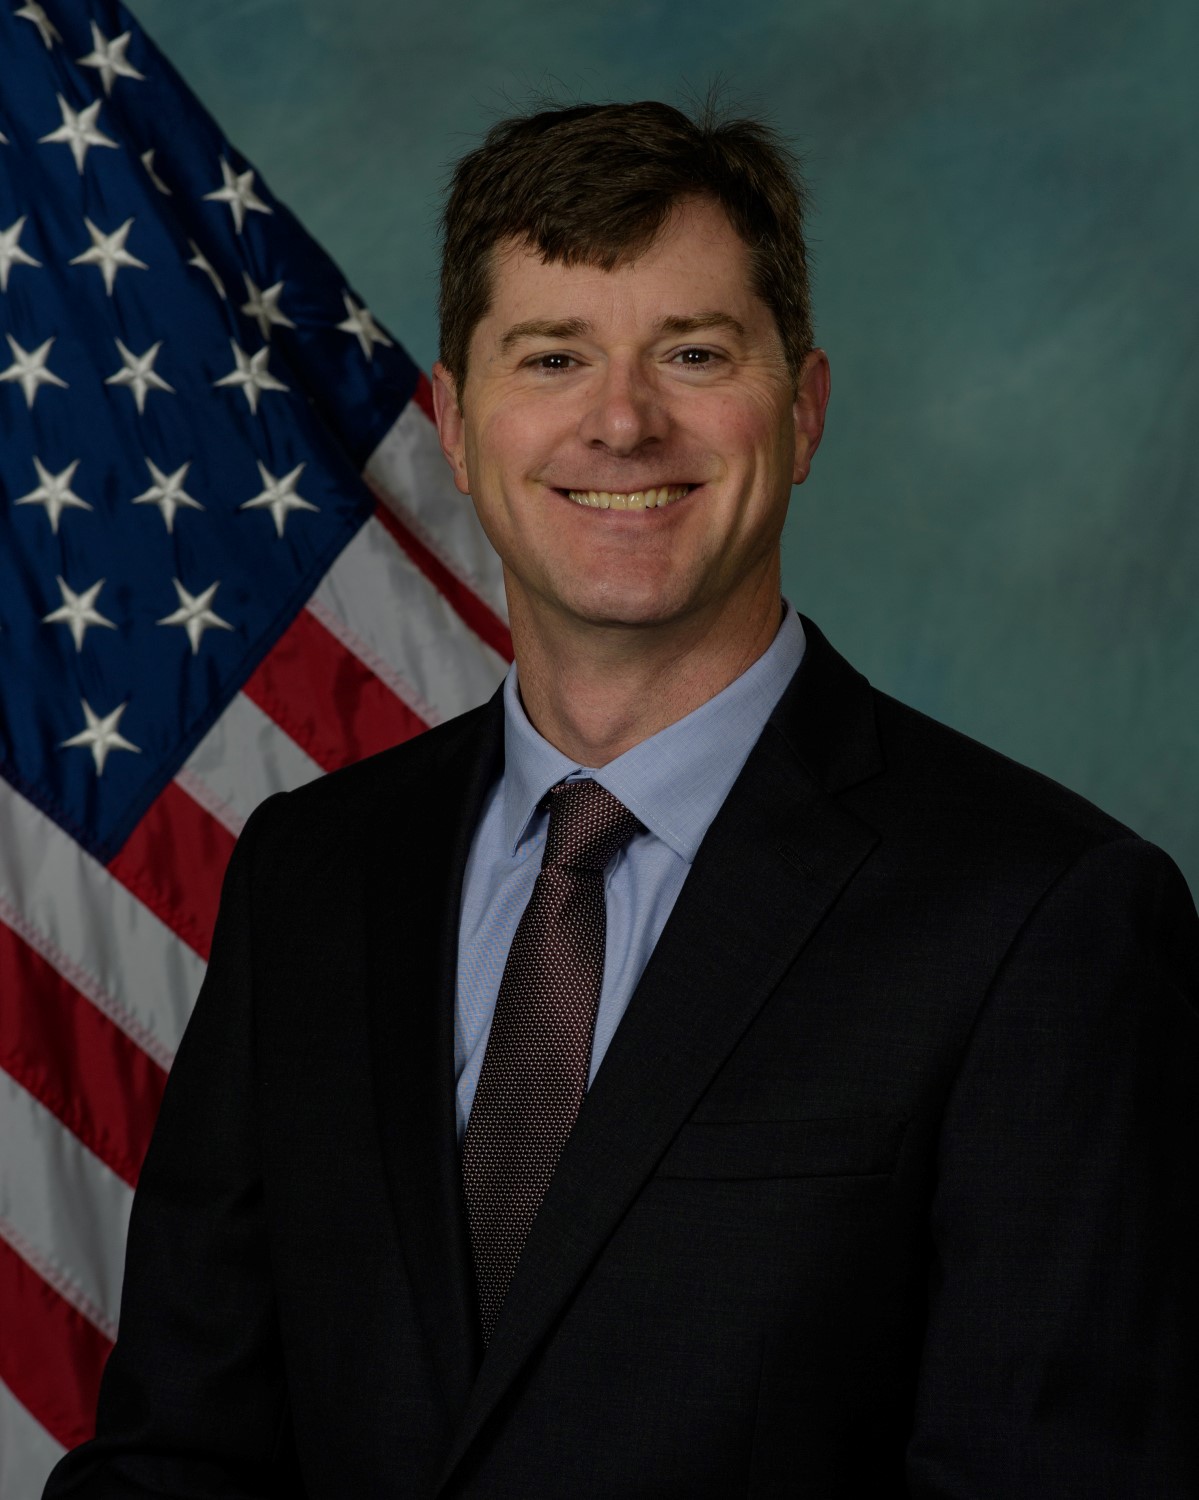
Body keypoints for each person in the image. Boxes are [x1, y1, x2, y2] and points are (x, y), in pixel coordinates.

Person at [46, 100, 1198, 1499]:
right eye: (554, 357)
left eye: (695, 353)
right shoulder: (313, 875)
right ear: (460, 429)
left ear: (806, 409)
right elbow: (183, 1458)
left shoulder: (1043, 918)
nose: (623, 420)